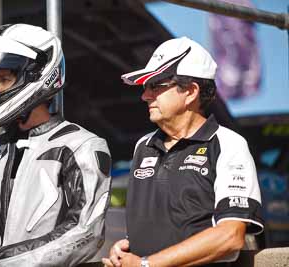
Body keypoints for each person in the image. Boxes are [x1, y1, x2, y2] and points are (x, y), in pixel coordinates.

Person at [0, 24, 112, 267]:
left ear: (37, 75)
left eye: (4, 79)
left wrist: (0, 262)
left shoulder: (81, 147)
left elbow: (85, 231)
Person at [103, 37, 263, 267]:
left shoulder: (228, 144)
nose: (145, 95)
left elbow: (230, 236)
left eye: (155, 85)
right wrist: (127, 245)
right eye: (145, 87)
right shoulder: (143, 146)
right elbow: (166, 225)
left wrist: (146, 264)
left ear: (190, 92)